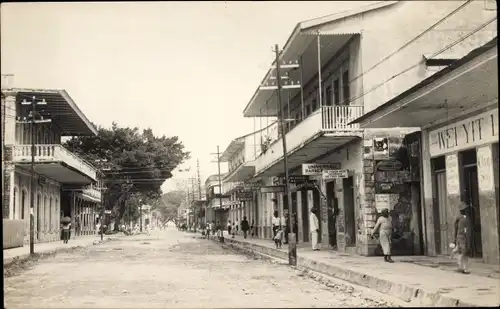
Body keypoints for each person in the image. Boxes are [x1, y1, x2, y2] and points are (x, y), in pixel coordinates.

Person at [452, 201, 472, 274]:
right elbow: (457, 229)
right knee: (463, 252)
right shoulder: (460, 218)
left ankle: (463, 267)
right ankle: (462, 268)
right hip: (461, 237)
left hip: (465, 237)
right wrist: (455, 239)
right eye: (464, 209)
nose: (465, 210)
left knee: (465, 252)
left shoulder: (466, 217)